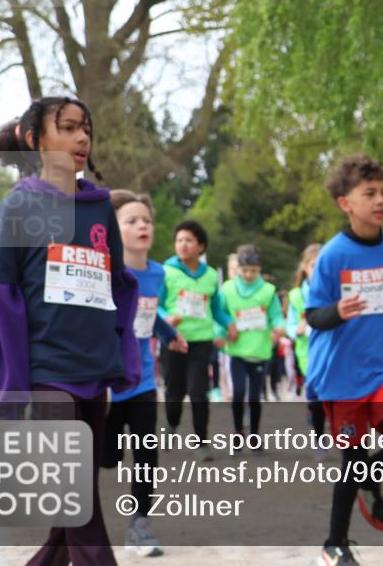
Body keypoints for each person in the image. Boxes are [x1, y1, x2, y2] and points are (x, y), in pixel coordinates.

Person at [0, 96, 141, 566]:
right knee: (78, 502)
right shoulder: (19, 206)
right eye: (68, 128)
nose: (82, 138)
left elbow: (117, 288)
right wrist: (6, 382)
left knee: (70, 505)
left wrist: (121, 356)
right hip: (49, 373)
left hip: (94, 369)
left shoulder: (100, 208)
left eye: (85, 128)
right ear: (34, 140)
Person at [305, 155, 383, 566]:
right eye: (369, 193)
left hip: (382, 369)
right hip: (340, 375)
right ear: (345, 203)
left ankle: (370, 482)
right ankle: (334, 544)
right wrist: (338, 310)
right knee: (351, 462)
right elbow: (312, 316)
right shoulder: (334, 256)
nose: (380, 200)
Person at [102, 190, 188, 557]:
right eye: (132, 220)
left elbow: (147, 314)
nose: (142, 226)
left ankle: (140, 525)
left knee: (146, 455)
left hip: (143, 381)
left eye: (147, 221)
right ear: (112, 228)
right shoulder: (105, 270)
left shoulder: (157, 273)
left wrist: (170, 335)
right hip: (106, 382)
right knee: (106, 458)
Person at [159, 219, 237, 461]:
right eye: (179, 240)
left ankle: (201, 441)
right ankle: (171, 424)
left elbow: (217, 309)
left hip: (201, 342)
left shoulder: (211, 276)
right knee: (174, 391)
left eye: (189, 240)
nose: (183, 244)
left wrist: (229, 324)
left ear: (201, 246)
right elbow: (158, 304)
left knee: (198, 392)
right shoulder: (166, 271)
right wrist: (165, 319)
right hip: (173, 340)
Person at [221, 244, 285, 443]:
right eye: (245, 270)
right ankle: (238, 430)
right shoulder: (228, 289)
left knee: (255, 397)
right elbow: (219, 313)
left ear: (260, 269)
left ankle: (255, 434)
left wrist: (278, 328)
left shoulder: (268, 290)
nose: (249, 275)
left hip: (259, 350)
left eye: (254, 271)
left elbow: (276, 316)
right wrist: (222, 330)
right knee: (238, 392)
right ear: (238, 269)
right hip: (237, 349)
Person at [286, 243, 327, 459]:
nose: (317, 270)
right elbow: (289, 324)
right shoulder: (295, 296)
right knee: (318, 398)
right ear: (304, 268)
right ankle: (319, 438)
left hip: (332, 351)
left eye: (322, 265)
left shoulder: (334, 291)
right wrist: (296, 330)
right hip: (308, 352)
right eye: (313, 265)